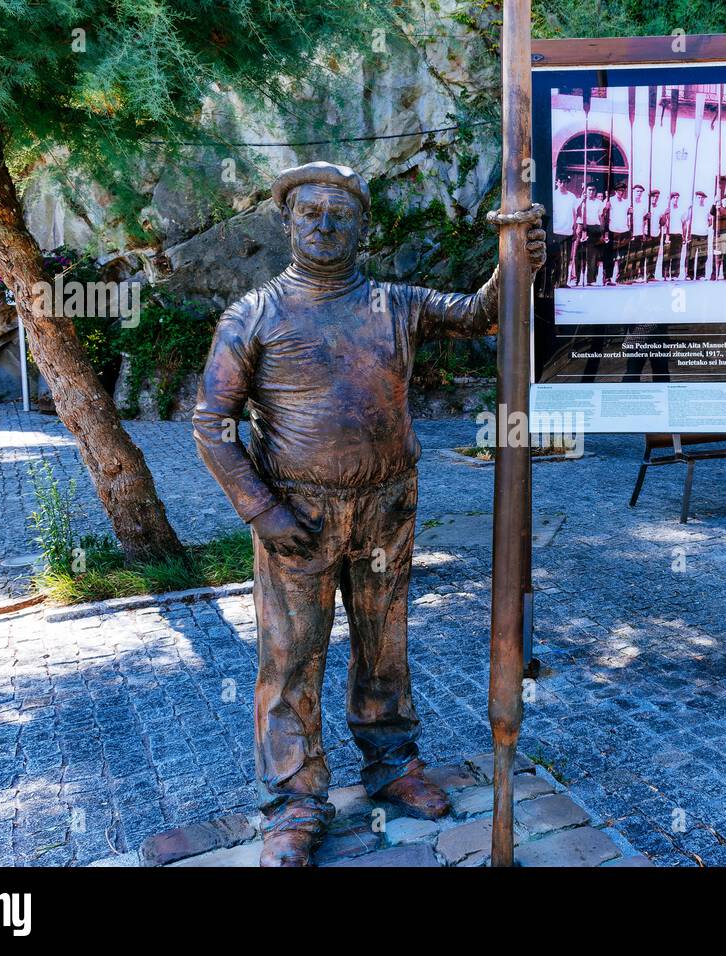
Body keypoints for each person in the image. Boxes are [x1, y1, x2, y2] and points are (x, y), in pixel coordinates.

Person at [195, 161, 546, 866]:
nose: (325, 226)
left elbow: (481, 315)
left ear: (362, 226)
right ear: (288, 223)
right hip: (297, 515)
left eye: (341, 215)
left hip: (386, 506)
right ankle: (294, 800)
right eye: (310, 214)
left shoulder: (395, 303)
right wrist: (260, 510)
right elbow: (212, 423)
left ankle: (391, 766)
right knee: (292, 657)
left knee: (384, 642)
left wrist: (517, 263)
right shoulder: (254, 314)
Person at [550, 175, 576, 289]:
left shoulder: (572, 197)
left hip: (567, 231)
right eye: (562, 182)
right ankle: (552, 282)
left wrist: (575, 228)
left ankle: (563, 281)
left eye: (566, 182)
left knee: (565, 258)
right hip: (555, 231)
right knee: (555, 257)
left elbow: (575, 213)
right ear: (557, 182)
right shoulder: (553, 196)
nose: (564, 184)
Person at [605, 183, 631, 286]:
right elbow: (603, 215)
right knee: (611, 255)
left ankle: (621, 277)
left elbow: (629, 216)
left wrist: (630, 212)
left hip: (624, 230)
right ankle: (607, 277)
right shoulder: (610, 201)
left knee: (623, 256)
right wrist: (606, 208)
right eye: (619, 190)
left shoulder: (626, 202)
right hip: (613, 230)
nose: (621, 192)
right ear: (616, 191)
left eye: (623, 191)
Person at [684, 190, 712, 280]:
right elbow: (685, 219)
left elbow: (710, 221)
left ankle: (701, 275)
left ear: (704, 199)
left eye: (702, 198)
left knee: (702, 255)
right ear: (696, 198)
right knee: (691, 255)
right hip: (693, 234)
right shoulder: (692, 208)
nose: (700, 199)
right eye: (698, 198)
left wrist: (707, 225)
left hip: (704, 234)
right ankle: (690, 274)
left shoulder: (707, 208)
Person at [661, 192, 683, 281]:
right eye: (674, 198)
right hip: (668, 234)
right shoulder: (666, 209)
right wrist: (664, 214)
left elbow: (684, 223)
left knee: (676, 255)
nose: (676, 199)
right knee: (666, 255)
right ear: (670, 199)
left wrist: (685, 235)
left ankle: (674, 274)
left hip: (678, 234)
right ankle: (665, 274)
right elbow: (662, 223)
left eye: (677, 198)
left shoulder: (680, 209)